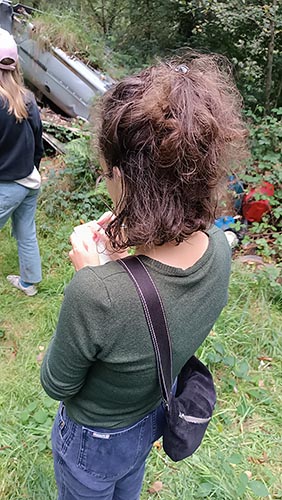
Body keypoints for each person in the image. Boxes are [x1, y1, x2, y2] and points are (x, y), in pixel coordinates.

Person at [41, 53, 247, 499]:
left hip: (95, 439)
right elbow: (162, 308)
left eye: (108, 173)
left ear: (126, 179)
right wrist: (127, 261)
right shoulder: (217, 247)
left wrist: (98, 278)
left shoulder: (97, 293)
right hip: (151, 418)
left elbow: (57, 383)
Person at [0, 28, 43, 296]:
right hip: (30, 180)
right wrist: (35, 166)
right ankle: (29, 284)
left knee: (26, 232)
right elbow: (38, 142)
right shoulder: (27, 98)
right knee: (26, 232)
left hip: (8, 185)